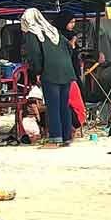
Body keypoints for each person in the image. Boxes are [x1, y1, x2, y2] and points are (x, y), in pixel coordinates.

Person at [22, 8, 76, 148]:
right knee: (63, 105)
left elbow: (35, 54)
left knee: (52, 105)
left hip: (50, 71)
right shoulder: (53, 30)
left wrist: (38, 71)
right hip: (66, 70)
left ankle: (55, 138)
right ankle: (66, 137)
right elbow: (69, 48)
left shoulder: (32, 33)